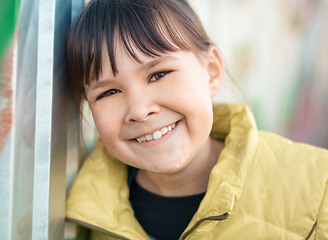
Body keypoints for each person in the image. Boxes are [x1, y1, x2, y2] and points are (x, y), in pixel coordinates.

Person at [65, 0, 328, 239]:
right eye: (109, 92)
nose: (139, 110)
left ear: (211, 72)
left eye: (158, 74)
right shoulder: (77, 211)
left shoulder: (318, 186)